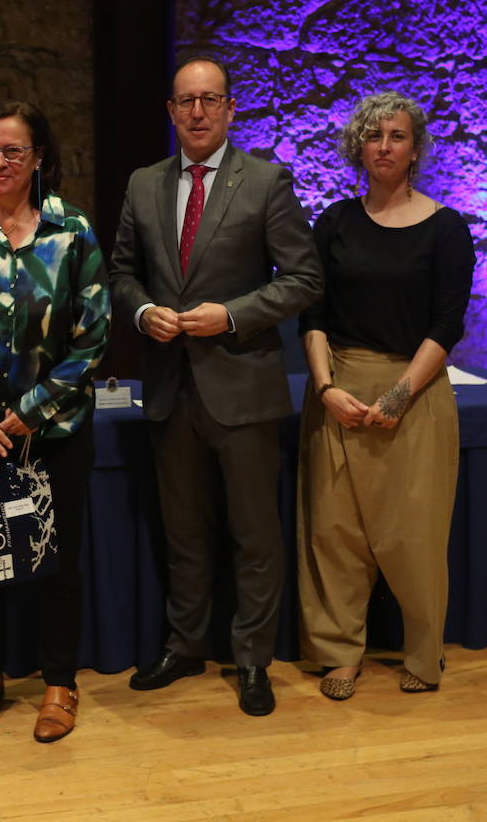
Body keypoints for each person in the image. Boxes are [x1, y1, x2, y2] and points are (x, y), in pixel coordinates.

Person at [109, 56, 323, 716]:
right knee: (184, 532)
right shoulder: (143, 185)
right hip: (171, 388)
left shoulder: (266, 181)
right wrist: (144, 313)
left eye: (210, 100)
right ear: (171, 112)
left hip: (245, 388)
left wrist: (231, 315)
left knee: (254, 534)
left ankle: (254, 658)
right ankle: (185, 644)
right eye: (185, 101)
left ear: (231, 109)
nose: (197, 112)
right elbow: (121, 274)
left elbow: (304, 278)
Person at [0, 99, 110, 743]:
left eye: (13, 151)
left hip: (52, 433)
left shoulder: (75, 232)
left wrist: (29, 413)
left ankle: (59, 682)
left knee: (54, 560)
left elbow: (93, 340)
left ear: (39, 158)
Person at [296, 91, 475, 700]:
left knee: (415, 533)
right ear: (358, 147)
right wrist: (325, 388)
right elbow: (312, 314)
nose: (384, 147)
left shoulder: (447, 228)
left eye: (396, 136)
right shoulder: (334, 224)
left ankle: (424, 655)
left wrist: (399, 396)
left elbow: (447, 323)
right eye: (373, 137)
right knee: (335, 532)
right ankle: (339, 652)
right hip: (339, 388)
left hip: (417, 392)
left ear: (415, 148)